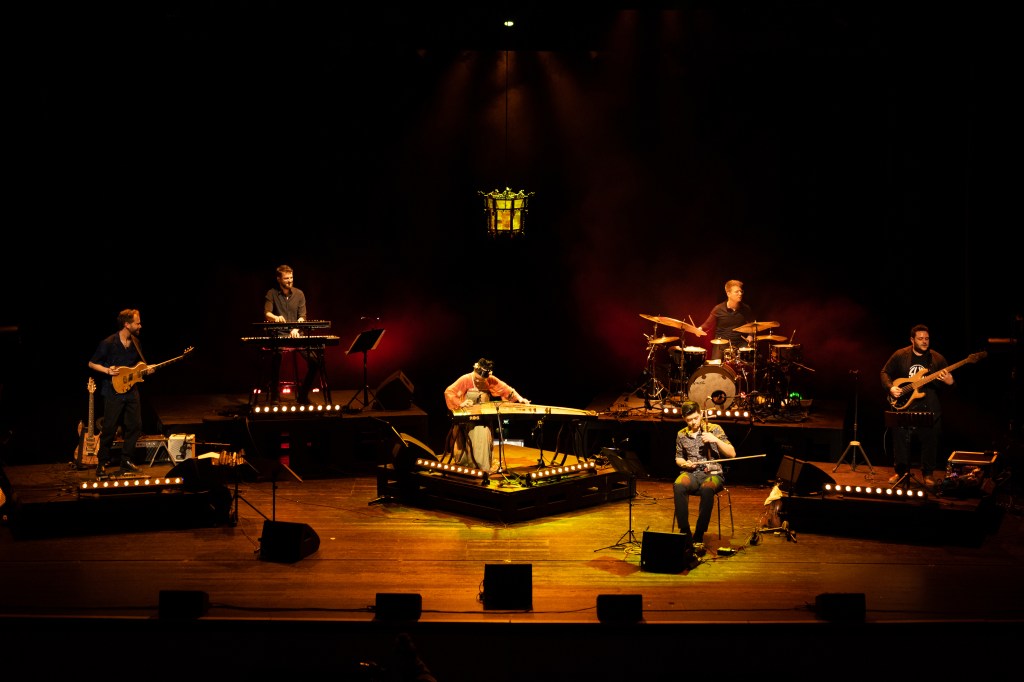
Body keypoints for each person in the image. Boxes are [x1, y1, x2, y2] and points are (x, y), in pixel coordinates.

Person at [880, 323, 954, 488]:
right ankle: (900, 472)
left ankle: (928, 474)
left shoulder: (937, 358)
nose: (924, 341)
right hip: (905, 406)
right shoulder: (900, 355)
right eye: (920, 338)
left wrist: (950, 382)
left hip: (929, 407)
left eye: (927, 338)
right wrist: (891, 387)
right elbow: (884, 372)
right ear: (912, 340)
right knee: (900, 439)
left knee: (930, 441)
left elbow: (950, 389)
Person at [87, 309, 150, 478]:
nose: (140, 326)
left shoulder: (136, 342)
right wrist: (107, 370)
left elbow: (137, 366)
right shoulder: (108, 343)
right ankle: (102, 463)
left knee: (135, 426)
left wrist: (145, 369)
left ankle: (126, 461)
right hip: (113, 391)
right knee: (109, 428)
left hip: (131, 390)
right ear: (127, 324)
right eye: (137, 323)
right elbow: (92, 363)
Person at [443, 358, 529, 474]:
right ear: (475, 370)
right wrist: (461, 403)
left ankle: (483, 466)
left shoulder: (489, 379)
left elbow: (505, 389)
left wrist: (520, 398)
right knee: (469, 441)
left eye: (483, 379)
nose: (481, 381)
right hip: (467, 418)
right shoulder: (466, 379)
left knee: (484, 434)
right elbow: (449, 392)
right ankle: (468, 463)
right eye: (479, 378)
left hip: (484, 417)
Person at [672, 400, 736, 551]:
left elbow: (732, 453)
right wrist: (685, 464)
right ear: (684, 419)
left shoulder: (714, 429)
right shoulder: (681, 434)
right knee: (678, 485)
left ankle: (699, 534)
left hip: (713, 474)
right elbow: (678, 458)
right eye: (689, 420)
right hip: (692, 474)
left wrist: (715, 440)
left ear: (701, 414)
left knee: (707, 489)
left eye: (696, 418)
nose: (693, 422)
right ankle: (685, 532)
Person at [264, 264, 322, 404]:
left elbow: (302, 316)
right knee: (276, 357)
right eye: (286, 278)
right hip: (279, 335)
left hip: (296, 334)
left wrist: (296, 328)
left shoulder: (299, 294)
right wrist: (275, 318)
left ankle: (302, 395)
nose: (290, 280)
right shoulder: (271, 293)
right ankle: (274, 395)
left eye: (291, 277)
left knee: (315, 362)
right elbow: (267, 313)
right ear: (279, 279)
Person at [698, 278, 755, 354]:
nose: (740, 294)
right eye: (737, 292)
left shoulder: (746, 309)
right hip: (722, 343)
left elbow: (752, 326)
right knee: (716, 361)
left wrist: (750, 335)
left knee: (749, 355)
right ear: (728, 294)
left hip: (740, 343)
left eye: (741, 291)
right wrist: (700, 329)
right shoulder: (718, 309)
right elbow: (708, 324)